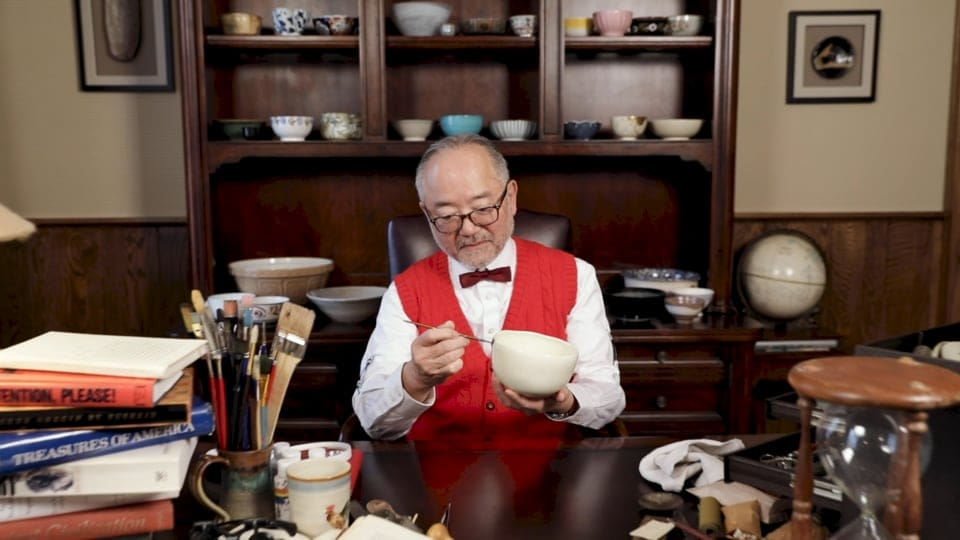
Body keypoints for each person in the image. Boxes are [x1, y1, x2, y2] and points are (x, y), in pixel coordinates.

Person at [352, 134, 625, 443]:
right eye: (446, 216)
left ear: (510, 197)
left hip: (551, 475)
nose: (468, 229)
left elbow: (608, 397)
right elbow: (372, 420)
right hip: (434, 480)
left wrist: (562, 402)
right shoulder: (404, 292)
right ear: (427, 213)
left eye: (483, 208)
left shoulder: (576, 276)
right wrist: (413, 379)